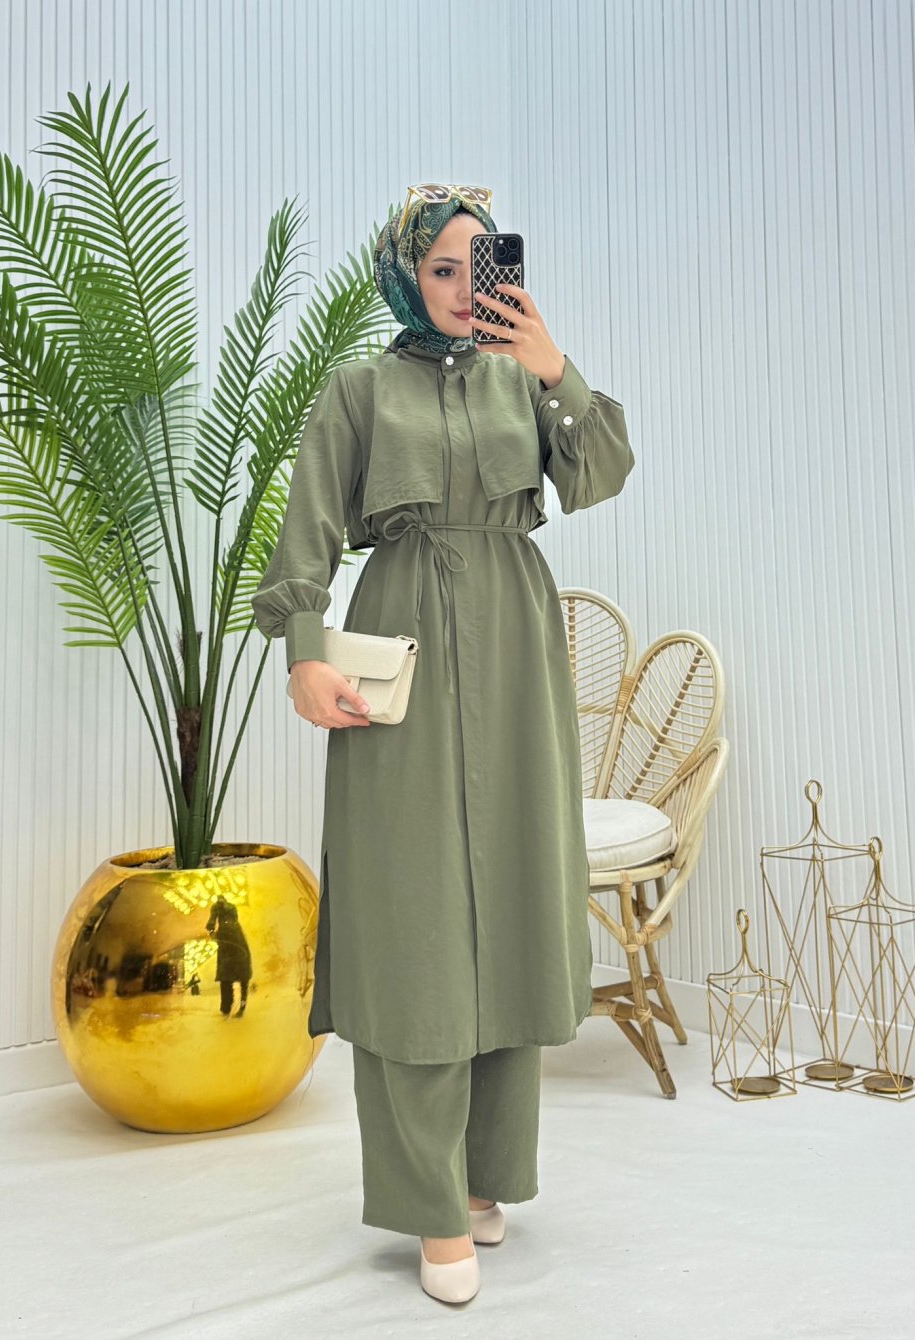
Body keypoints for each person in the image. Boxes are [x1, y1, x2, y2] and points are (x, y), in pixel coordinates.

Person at [250, 184, 635, 1304]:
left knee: (511, 904)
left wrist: (557, 369)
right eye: (443, 269)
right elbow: (307, 532)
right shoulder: (359, 389)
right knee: (412, 923)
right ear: (407, 276)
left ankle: (483, 1178)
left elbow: (602, 472)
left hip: (516, 649)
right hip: (403, 642)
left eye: (483, 265)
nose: (468, 288)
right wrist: (305, 653)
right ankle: (428, 1204)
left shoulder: (524, 379)